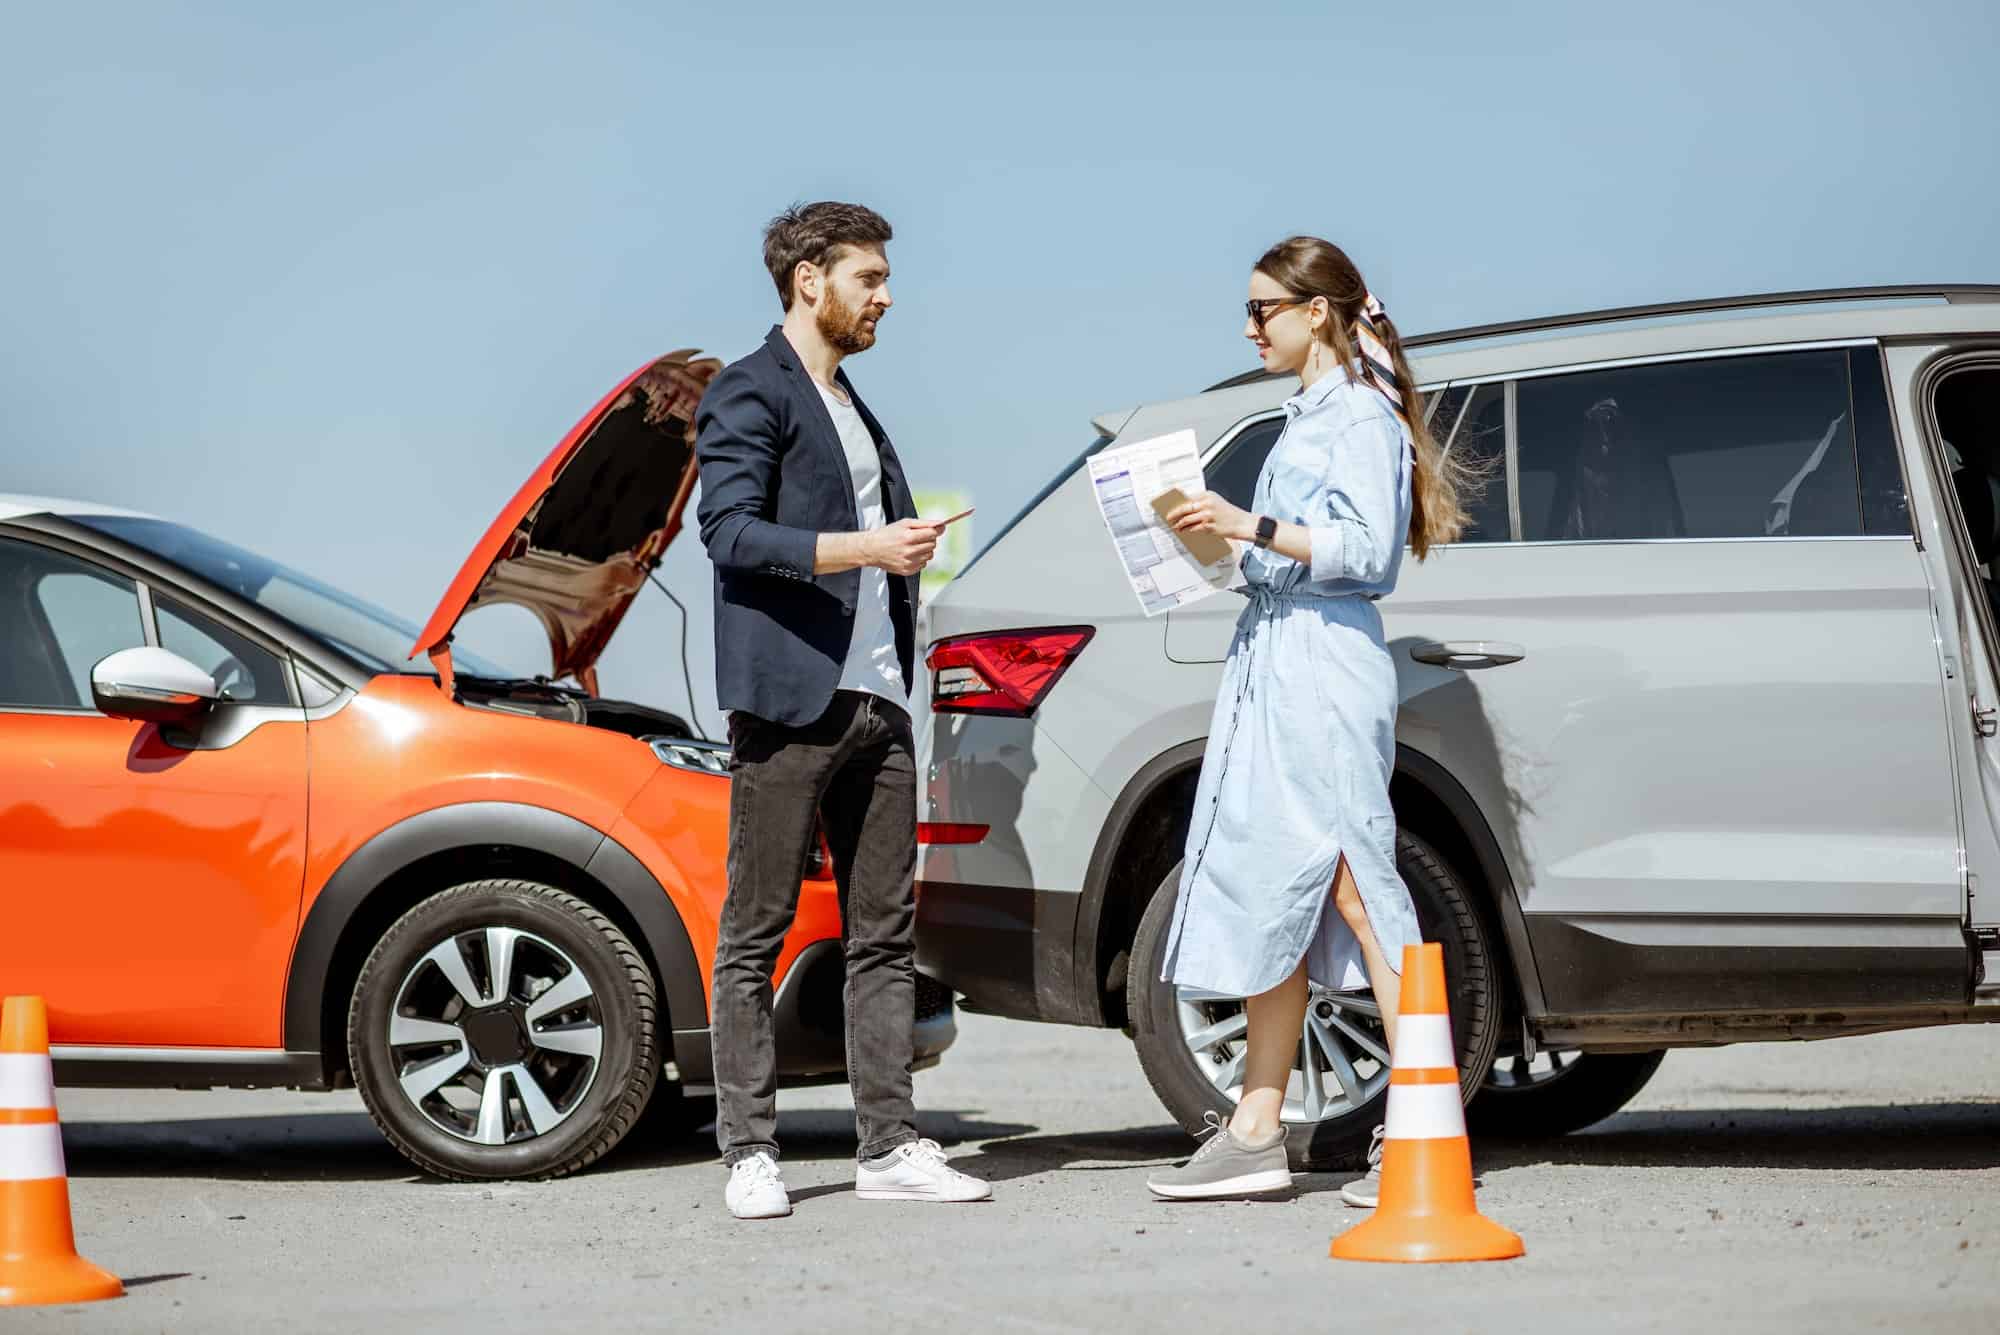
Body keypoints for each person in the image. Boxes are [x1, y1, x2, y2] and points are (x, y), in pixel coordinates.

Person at [1143, 236, 1475, 1205]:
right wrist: (1211, 547)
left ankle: (1422, 1127)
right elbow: (1289, 553)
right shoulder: (1307, 415)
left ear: (1316, 310)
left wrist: (1245, 524)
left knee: (1357, 885)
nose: (1250, 327)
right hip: (1275, 658)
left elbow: (1368, 553)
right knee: (1268, 884)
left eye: (1263, 309)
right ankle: (1255, 1130)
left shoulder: (1360, 415)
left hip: (1324, 664)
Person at [694, 201, 992, 1220]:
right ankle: (748, 1151)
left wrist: (902, 552)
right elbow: (729, 533)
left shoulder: (855, 406)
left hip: (877, 701)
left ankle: (889, 1146)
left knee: (885, 938)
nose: (886, 296)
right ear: (808, 279)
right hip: (789, 705)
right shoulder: (748, 389)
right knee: (755, 931)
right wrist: (869, 547)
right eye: (869, 277)